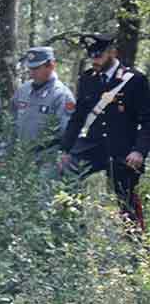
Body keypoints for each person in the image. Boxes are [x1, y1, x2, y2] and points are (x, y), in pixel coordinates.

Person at [60, 33, 150, 231]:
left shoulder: (134, 79)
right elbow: (78, 117)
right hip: (94, 146)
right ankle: (73, 230)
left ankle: (137, 248)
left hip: (123, 149)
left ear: (113, 53)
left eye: (99, 56)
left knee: (126, 200)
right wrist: (65, 150)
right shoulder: (87, 79)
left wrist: (139, 151)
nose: (95, 61)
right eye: (92, 57)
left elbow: (147, 120)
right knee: (65, 171)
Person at [11, 46, 76, 152]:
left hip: (47, 159)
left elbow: (66, 134)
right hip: (20, 158)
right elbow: (11, 123)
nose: (32, 73)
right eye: (30, 68)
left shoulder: (61, 95)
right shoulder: (22, 91)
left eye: (36, 68)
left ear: (51, 66)